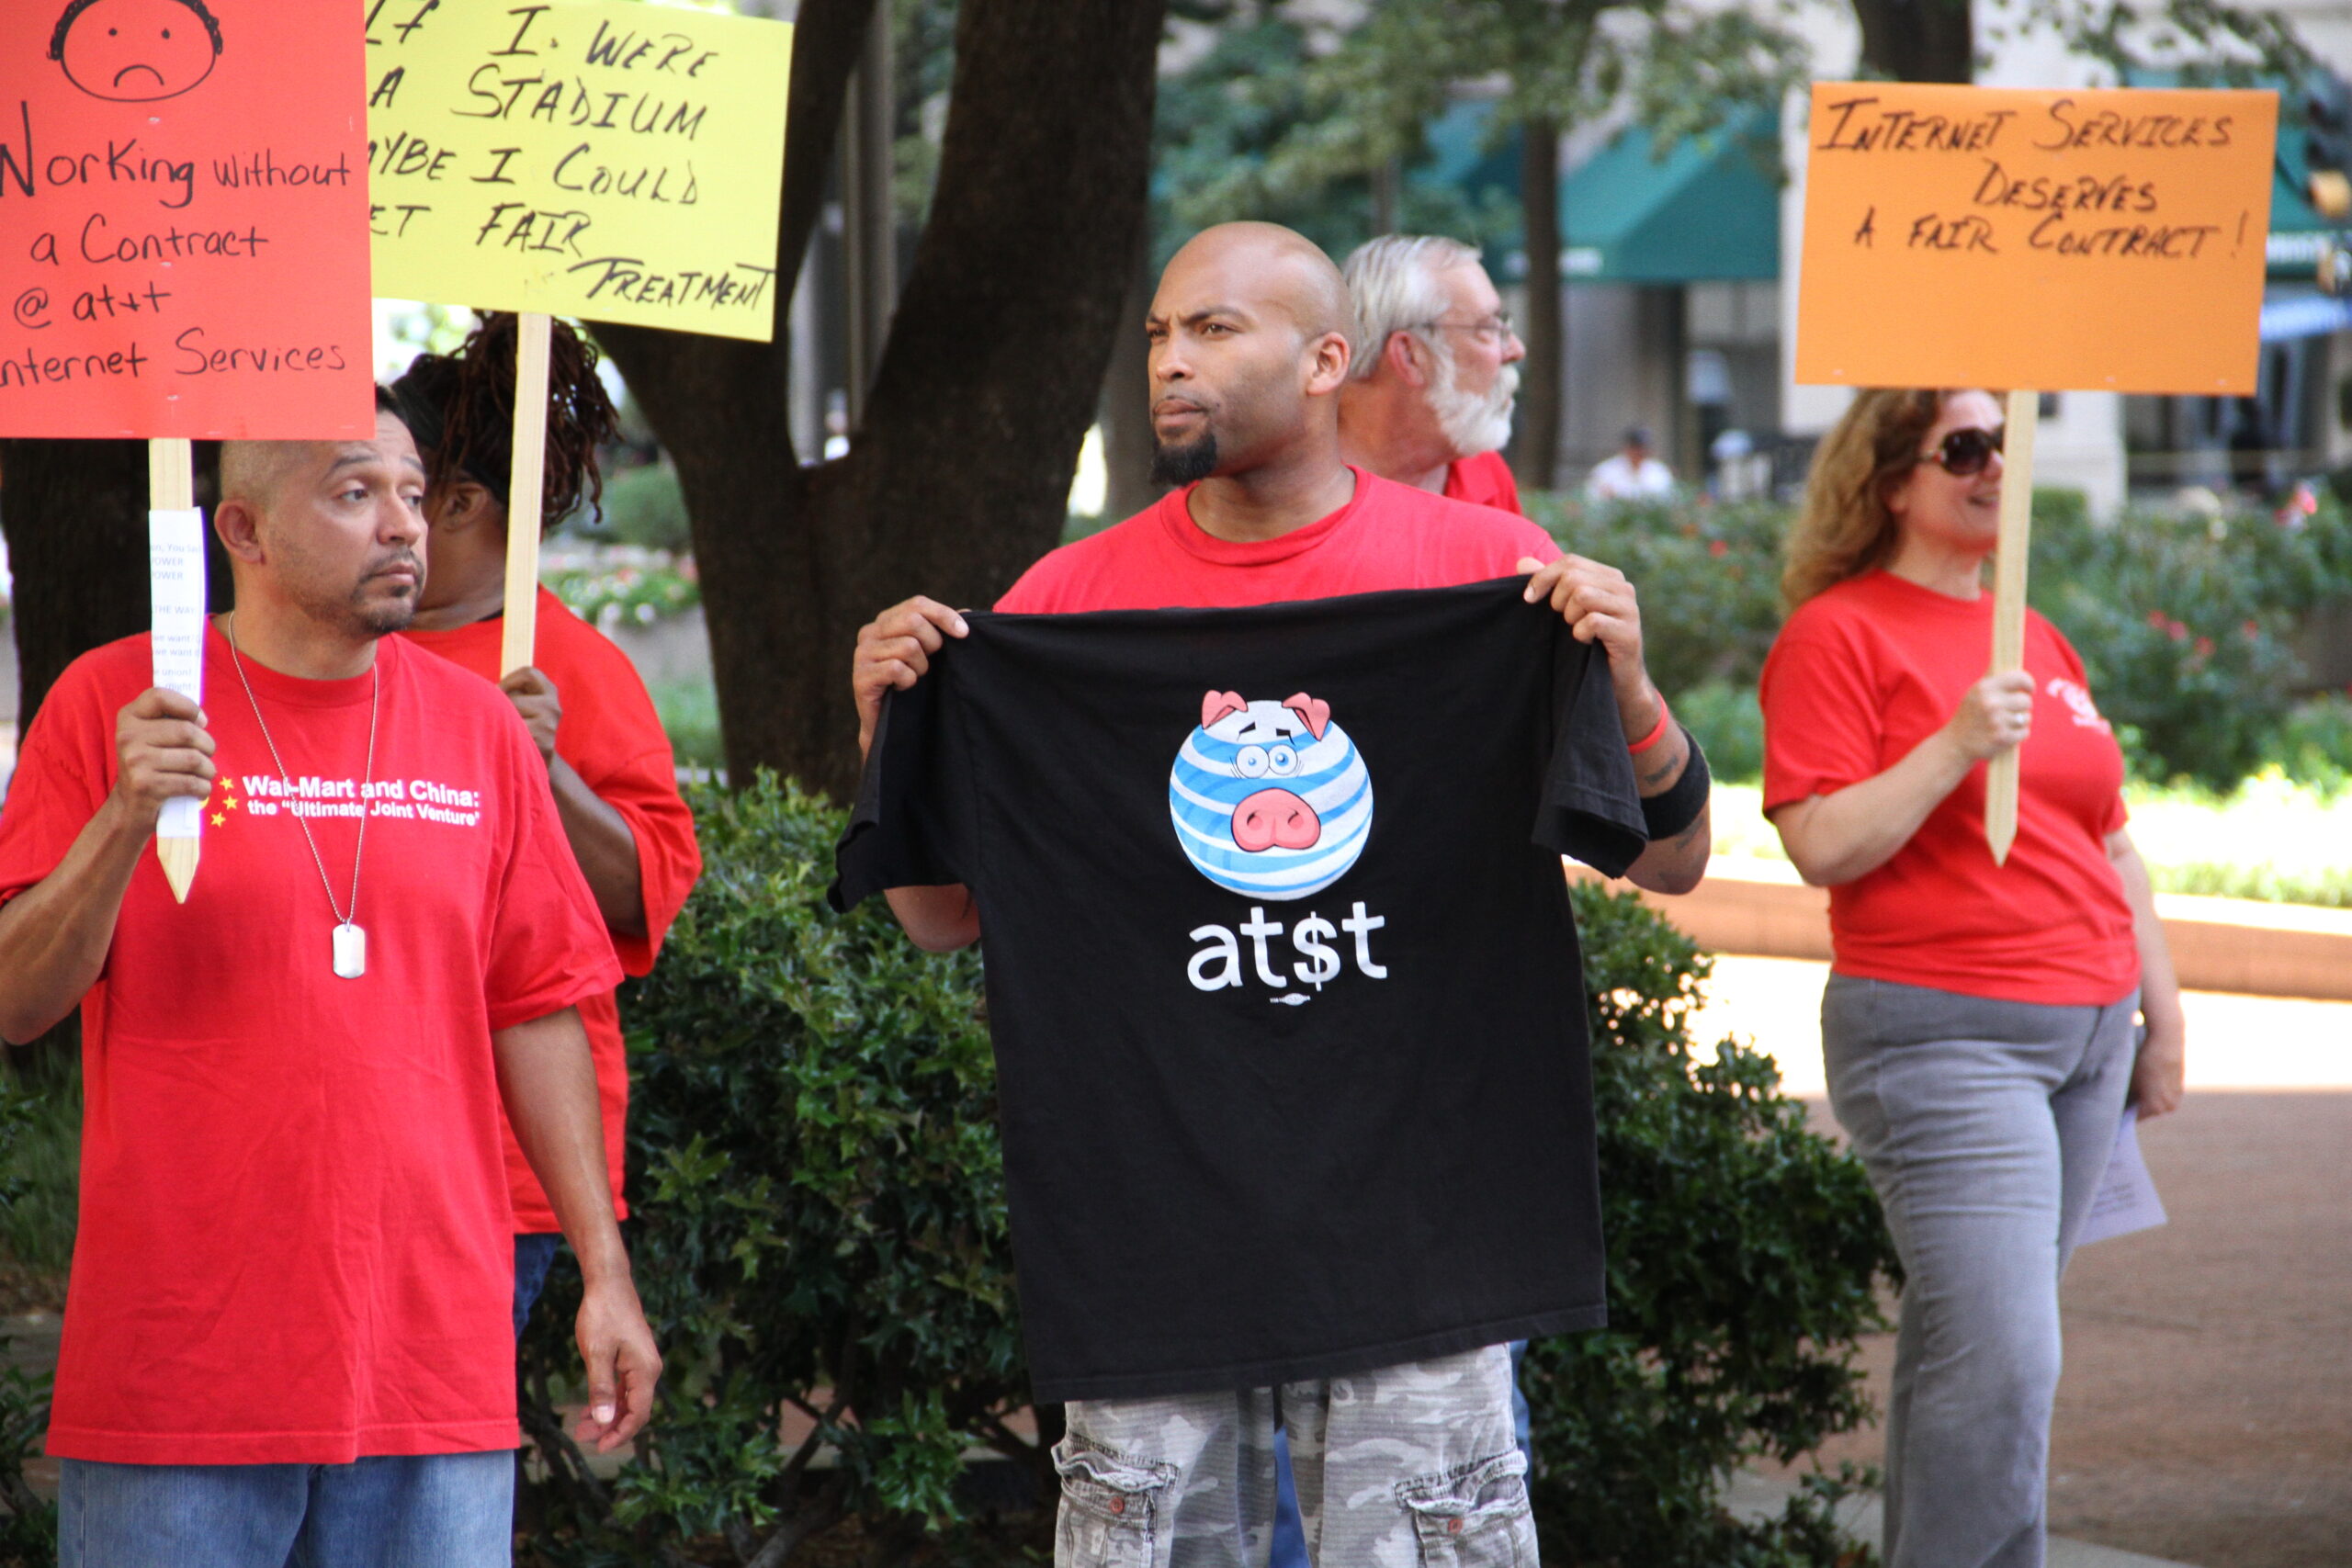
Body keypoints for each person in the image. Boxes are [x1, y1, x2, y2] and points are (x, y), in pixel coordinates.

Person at [851, 220, 1713, 1566]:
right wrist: (884, 733)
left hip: (1421, 1240)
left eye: (1213, 330)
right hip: (1151, 1247)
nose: (1171, 364)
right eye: (1157, 335)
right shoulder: (1064, 610)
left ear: (1326, 359)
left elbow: (1670, 861)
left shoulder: (1488, 577)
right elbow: (937, 915)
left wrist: (1634, 694)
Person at [0, 390, 662, 1566]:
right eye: (356, 493)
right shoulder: (116, 702)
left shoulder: (479, 731)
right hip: (181, 1372)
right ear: (243, 532)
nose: (403, 524)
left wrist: (604, 1275)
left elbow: (541, 1007)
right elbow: (17, 1001)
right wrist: (122, 821)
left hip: (430, 1363)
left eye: (411, 492)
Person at [1758, 388, 2185, 1568]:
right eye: (1965, 447)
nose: (1997, 464)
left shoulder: (2029, 634)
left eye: (2009, 441)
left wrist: (2163, 1013)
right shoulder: (1836, 634)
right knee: (2006, 1359)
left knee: (1974, 1356)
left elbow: (2108, 836)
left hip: (2088, 1030)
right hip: (1946, 1039)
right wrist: (1953, 743)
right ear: (1892, 479)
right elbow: (1819, 843)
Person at [391, 315, 703, 1337]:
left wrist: (547, 772)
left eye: (389, 485)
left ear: (462, 502)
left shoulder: (572, 665)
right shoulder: (334, 653)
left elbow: (645, 890)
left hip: (498, 1166)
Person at [1337, 233, 1525, 511]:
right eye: (1488, 328)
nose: (1516, 349)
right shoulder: (1285, 484)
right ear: (1411, 356)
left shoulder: (1482, 471)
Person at [1585, 425, 1673, 502]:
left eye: (1644, 448)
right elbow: (1593, 497)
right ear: (1627, 447)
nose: (1641, 452)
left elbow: (1665, 498)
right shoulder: (1606, 470)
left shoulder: (1659, 471)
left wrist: (1619, 494)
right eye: (1636, 447)